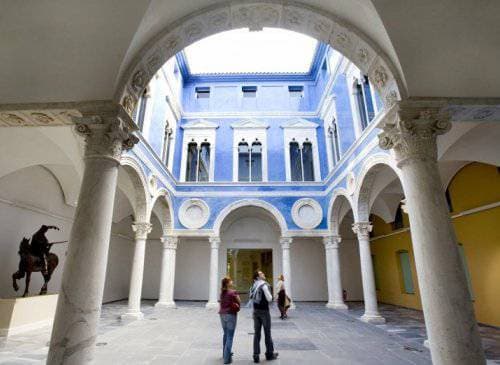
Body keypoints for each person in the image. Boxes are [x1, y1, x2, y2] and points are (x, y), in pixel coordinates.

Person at [249, 270, 279, 363]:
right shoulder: (264, 285)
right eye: (261, 273)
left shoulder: (253, 286)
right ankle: (269, 354)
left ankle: (256, 355)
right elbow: (269, 299)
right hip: (264, 312)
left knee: (257, 334)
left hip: (255, 311)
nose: (263, 274)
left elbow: (252, 299)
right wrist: (274, 297)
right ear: (258, 277)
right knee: (267, 333)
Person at [219, 276, 240, 364]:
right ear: (228, 283)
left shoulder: (222, 293)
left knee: (226, 334)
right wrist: (237, 297)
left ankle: (225, 354)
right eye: (230, 281)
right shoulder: (232, 292)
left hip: (222, 315)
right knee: (230, 336)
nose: (232, 281)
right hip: (230, 315)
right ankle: (227, 359)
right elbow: (239, 301)